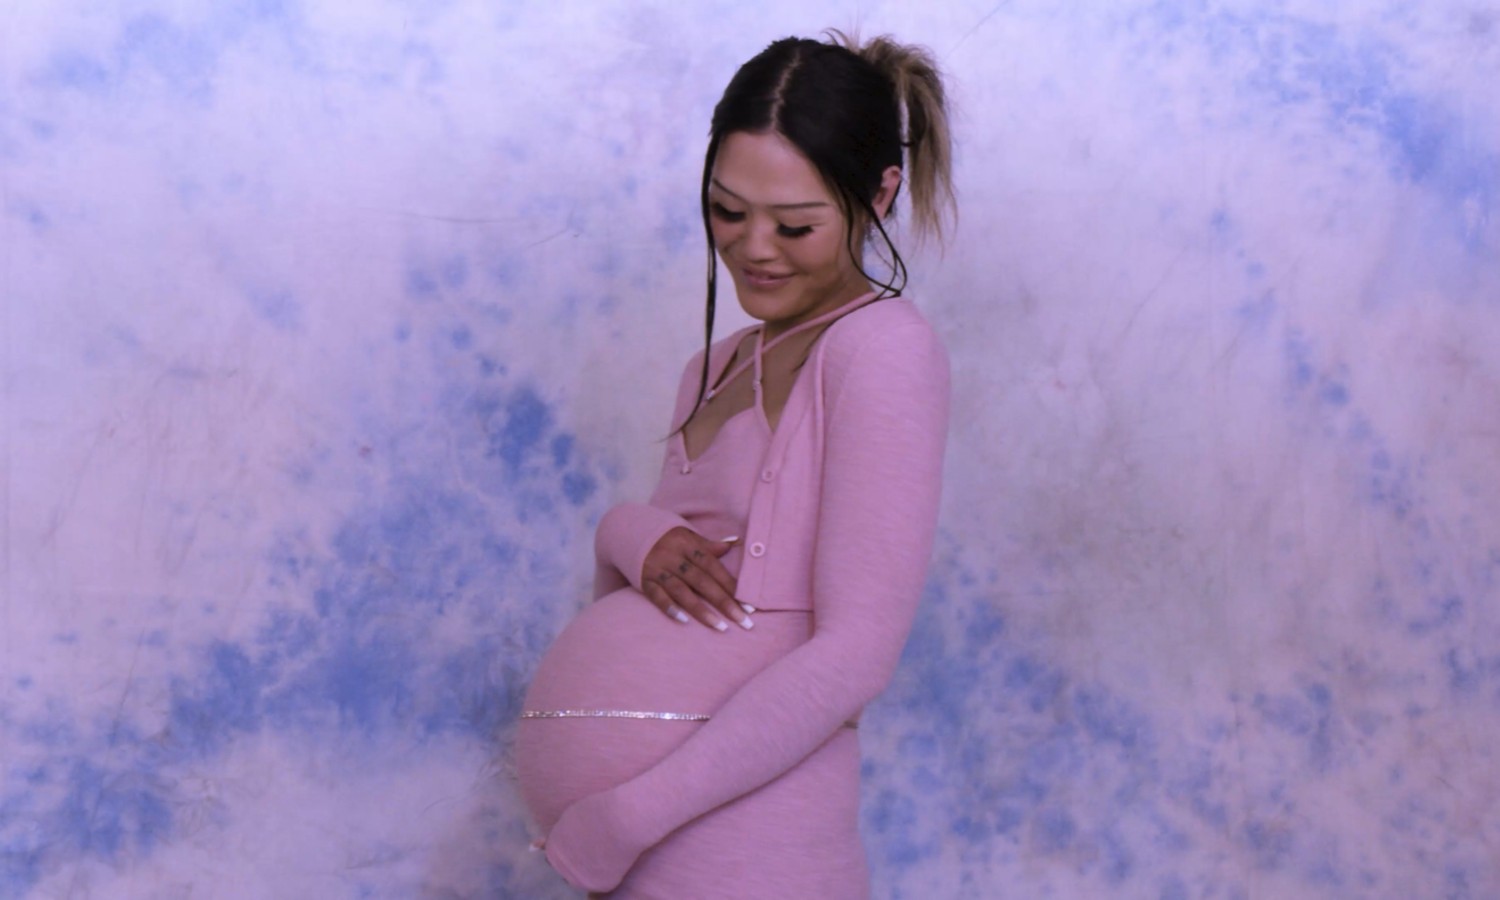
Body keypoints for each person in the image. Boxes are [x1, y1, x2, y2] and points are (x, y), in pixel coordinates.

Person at [513, 29, 956, 898]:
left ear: (878, 194)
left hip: (745, 851)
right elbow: (662, 593)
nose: (754, 248)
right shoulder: (710, 369)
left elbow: (856, 656)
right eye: (726, 210)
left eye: (794, 224)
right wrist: (627, 532)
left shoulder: (882, 351)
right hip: (646, 854)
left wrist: (627, 815)